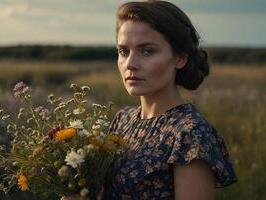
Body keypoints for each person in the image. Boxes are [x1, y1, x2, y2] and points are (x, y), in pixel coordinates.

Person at [65, 1, 237, 199]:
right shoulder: (123, 120)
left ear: (180, 58)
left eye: (147, 51)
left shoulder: (190, 134)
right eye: (123, 51)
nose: (130, 64)